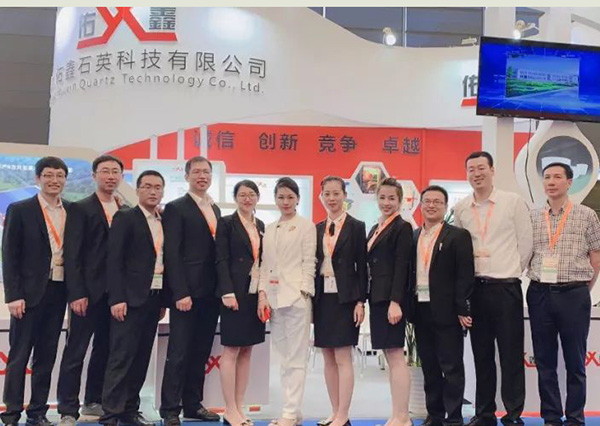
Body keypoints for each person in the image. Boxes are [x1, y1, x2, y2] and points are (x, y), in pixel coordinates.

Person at [453, 151, 532, 426]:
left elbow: (526, 243)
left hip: (506, 288)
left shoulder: (512, 202)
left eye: (481, 168)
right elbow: (460, 250)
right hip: (476, 289)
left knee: (511, 355)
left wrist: (510, 270)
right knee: (482, 355)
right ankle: (484, 413)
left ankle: (513, 414)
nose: (476, 174)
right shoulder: (461, 208)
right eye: (471, 169)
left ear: (492, 170)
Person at [527, 162, 600, 426]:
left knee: (575, 361)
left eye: (557, 176)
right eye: (547, 177)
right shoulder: (533, 216)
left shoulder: (586, 215)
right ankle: (551, 417)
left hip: (574, 293)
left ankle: (575, 417)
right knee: (544, 360)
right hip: (540, 293)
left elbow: (596, 257)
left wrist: (583, 290)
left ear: (569, 182)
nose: (551, 181)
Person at [1, 156, 71, 426]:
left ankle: (37, 412)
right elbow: (10, 255)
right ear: (38, 179)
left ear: (65, 180)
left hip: (59, 291)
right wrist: (13, 295)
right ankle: (11, 413)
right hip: (28, 295)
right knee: (19, 356)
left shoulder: (72, 210)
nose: (54, 180)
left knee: (46, 355)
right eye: (49, 175)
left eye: (59, 176)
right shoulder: (20, 209)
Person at [57, 155, 126, 426]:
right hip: (87, 293)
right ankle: (67, 409)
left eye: (115, 172)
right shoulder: (81, 208)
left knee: (105, 350)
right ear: (94, 175)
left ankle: (94, 400)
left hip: (115, 295)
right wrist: (76, 293)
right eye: (105, 171)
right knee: (75, 352)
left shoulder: (125, 208)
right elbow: (72, 254)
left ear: (121, 176)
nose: (110, 176)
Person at [99, 170, 166, 426]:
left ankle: (129, 409)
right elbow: (114, 261)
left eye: (157, 187)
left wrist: (163, 301)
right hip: (128, 300)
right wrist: (117, 298)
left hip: (154, 298)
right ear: (137, 190)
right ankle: (111, 414)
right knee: (121, 357)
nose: (152, 191)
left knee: (141, 358)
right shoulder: (126, 217)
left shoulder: (163, 220)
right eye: (147, 186)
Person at [160, 156, 221, 426]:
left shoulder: (214, 208)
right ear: (186, 176)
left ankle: (193, 404)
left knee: (200, 351)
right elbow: (172, 253)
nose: (202, 176)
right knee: (179, 352)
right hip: (186, 294)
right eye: (196, 172)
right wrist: (179, 292)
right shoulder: (176, 208)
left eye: (206, 172)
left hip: (210, 293)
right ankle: (170, 409)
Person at [409, 185, 474, 426]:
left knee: (452, 366)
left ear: (446, 207)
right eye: (427, 201)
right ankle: (434, 414)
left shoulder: (458, 236)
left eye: (437, 201)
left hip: (448, 312)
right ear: (421, 205)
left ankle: (454, 417)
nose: (431, 205)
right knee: (429, 366)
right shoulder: (414, 235)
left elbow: (464, 275)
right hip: (420, 310)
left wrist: (462, 308)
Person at [258, 177, 316, 426]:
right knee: (284, 359)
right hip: (274, 300)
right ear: (275, 199)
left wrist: (304, 293)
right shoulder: (270, 229)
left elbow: (309, 262)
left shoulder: (306, 226)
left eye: (290, 197)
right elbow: (264, 265)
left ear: (298, 199)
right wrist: (262, 294)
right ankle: (293, 410)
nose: (285, 202)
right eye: (281, 197)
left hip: (296, 299)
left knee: (296, 358)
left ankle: (290, 413)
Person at [313, 176, 367, 426]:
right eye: (327, 194)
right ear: (321, 196)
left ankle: (344, 414)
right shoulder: (317, 228)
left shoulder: (356, 227)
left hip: (346, 299)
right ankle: (334, 412)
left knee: (343, 357)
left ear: (345, 195)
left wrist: (360, 301)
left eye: (336, 193)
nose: (332, 198)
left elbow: (362, 267)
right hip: (322, 299)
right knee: (327, 357)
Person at [215, 180, 266, 426]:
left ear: (257, 198)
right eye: (243, 194)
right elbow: (221, 259)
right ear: (235, 198)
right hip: (233, 294)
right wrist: (226, 291)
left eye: (252, 194)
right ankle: (229, 408)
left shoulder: (261, 225)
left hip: (254, 295)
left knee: (247, 350)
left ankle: (240, 406)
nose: (247, 199)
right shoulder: (226, 223)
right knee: (231, 350)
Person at [366, 177, 412, 426]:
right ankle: (396, 414)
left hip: (390, 300)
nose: (386, 202)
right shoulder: (377, 227)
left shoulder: (401, 227)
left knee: (395, 355)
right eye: (382, 197)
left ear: (400, 201)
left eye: (391, 198)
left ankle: (402, 416)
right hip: (377, 297)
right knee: (389, 354)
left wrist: (396, 301)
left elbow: (402, 267)